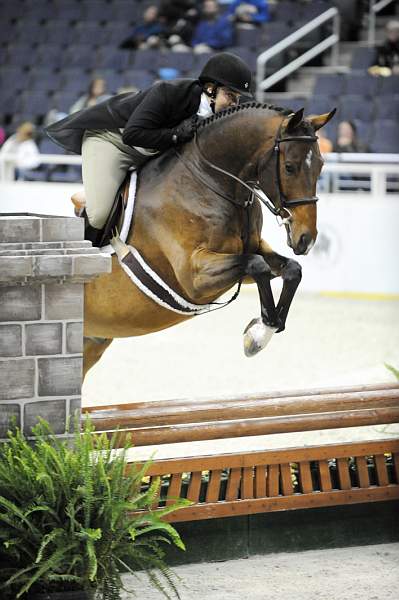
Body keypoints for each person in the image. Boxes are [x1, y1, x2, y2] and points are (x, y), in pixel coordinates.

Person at [45, 52, 253, 245]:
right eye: (230, 95)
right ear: (210, 89)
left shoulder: (217, 117)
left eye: (237, 98)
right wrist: (175, 135)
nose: (234, 104)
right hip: (113, 143)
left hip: (153, 153)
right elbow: (132, 134)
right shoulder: (168, 92)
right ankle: (83, 256)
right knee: (100, 215)